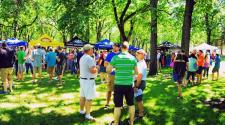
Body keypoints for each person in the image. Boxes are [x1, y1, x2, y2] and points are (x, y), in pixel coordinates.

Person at [107, 42, 138, 125]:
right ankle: (131, 122)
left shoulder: (116, 57)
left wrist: (114, 70)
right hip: (129, 84)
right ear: (128, 48)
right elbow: (136, 72)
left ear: (121, 48)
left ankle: (116, 123)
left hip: (119, 84)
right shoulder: (133, 58)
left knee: (117, 105)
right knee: (131, 104)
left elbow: (108, 70)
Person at [79, 44, 98, 121]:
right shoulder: (89, 58)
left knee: (82, 96)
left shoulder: (82, 57)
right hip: (88, 80)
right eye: (92, 49)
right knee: (89, 98)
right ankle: (87, 114)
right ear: (89, 50)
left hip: (83, 79)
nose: (93, 50)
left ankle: (81, 110)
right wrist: (97, 69)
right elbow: (92, 70)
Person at [104, 43, 120, 109]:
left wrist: (111, 64)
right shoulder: (110, 54)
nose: (114, 47)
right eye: (113, 46)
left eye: (115, 46)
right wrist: (113, 66)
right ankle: (107, 104)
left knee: (119, 90)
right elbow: (105, 64)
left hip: (120, 75)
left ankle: (120, 104)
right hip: (111, 75)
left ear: (119, 48)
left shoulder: (121, 54)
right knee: (109, 89)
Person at [134, 49, 147, 119]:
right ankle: (140, 111)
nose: (136, 54)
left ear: (142, 55)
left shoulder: (141, 63)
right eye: (136, 53)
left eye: (138, 53)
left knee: (139, 99)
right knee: (138, 98)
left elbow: (140, 75)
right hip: (140, 82)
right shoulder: (140, 62)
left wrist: (136, 85)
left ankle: (141, 113)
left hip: (140, 82)